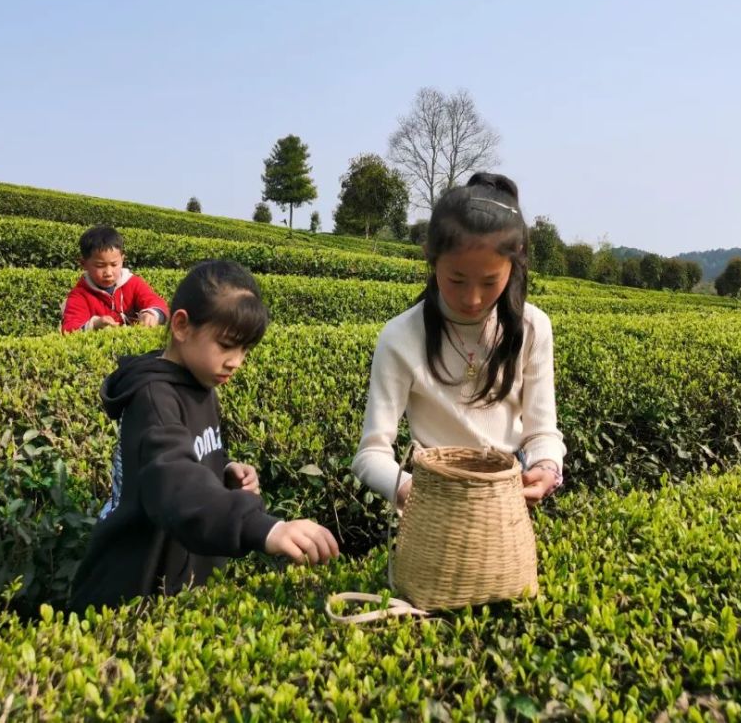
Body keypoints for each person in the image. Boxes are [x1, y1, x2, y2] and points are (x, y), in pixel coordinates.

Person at [69, 259, 339, 611]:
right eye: (226, 345)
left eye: (244, 350)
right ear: (181, 326)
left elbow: (191, 452)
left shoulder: (201, 381)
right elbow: (174, 481)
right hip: (135, 584)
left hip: (180, 573)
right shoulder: (154, 398)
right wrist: (262, 527)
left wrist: (223, 469)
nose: (236, 362)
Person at [352, 172, 566, 509]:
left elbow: (541, 432)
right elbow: (371, 453)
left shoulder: (532, 327)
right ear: (431, 256)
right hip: (432, 503)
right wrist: (413, 490)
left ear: (515, 261)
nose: (473, 298)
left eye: (490, 281)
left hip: (507, 504)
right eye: (456, 279)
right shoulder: (401, 336)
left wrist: (547, 466)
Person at [60, 225, 169, 333]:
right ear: (83, 264)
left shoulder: (133, 283)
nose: (108, 273)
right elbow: (69, 329)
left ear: (122, 259)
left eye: (114, 264)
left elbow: (156, 302)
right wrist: (95, 324)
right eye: (100, 266)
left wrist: (151, 314)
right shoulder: (79, 295)